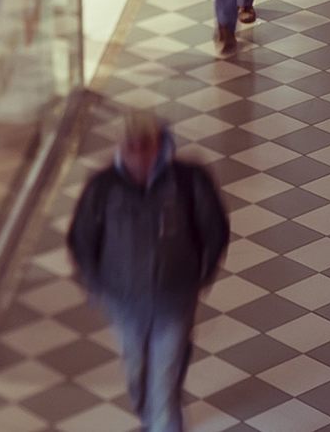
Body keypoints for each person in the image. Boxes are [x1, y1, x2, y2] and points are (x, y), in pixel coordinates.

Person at [66, 109, 231, 432]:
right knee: (136, 369)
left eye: (145, 146)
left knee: (165, 376)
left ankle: (164, 421)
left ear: (160, 145)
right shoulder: (104, 187)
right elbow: (82, 238)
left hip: (174, 298)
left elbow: (215, 229)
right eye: (131, 147)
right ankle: (150, 414)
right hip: (124, 300)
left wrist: (202, 275)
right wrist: (95, 283)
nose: (138, 156)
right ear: (121, 148)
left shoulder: (188, 180)